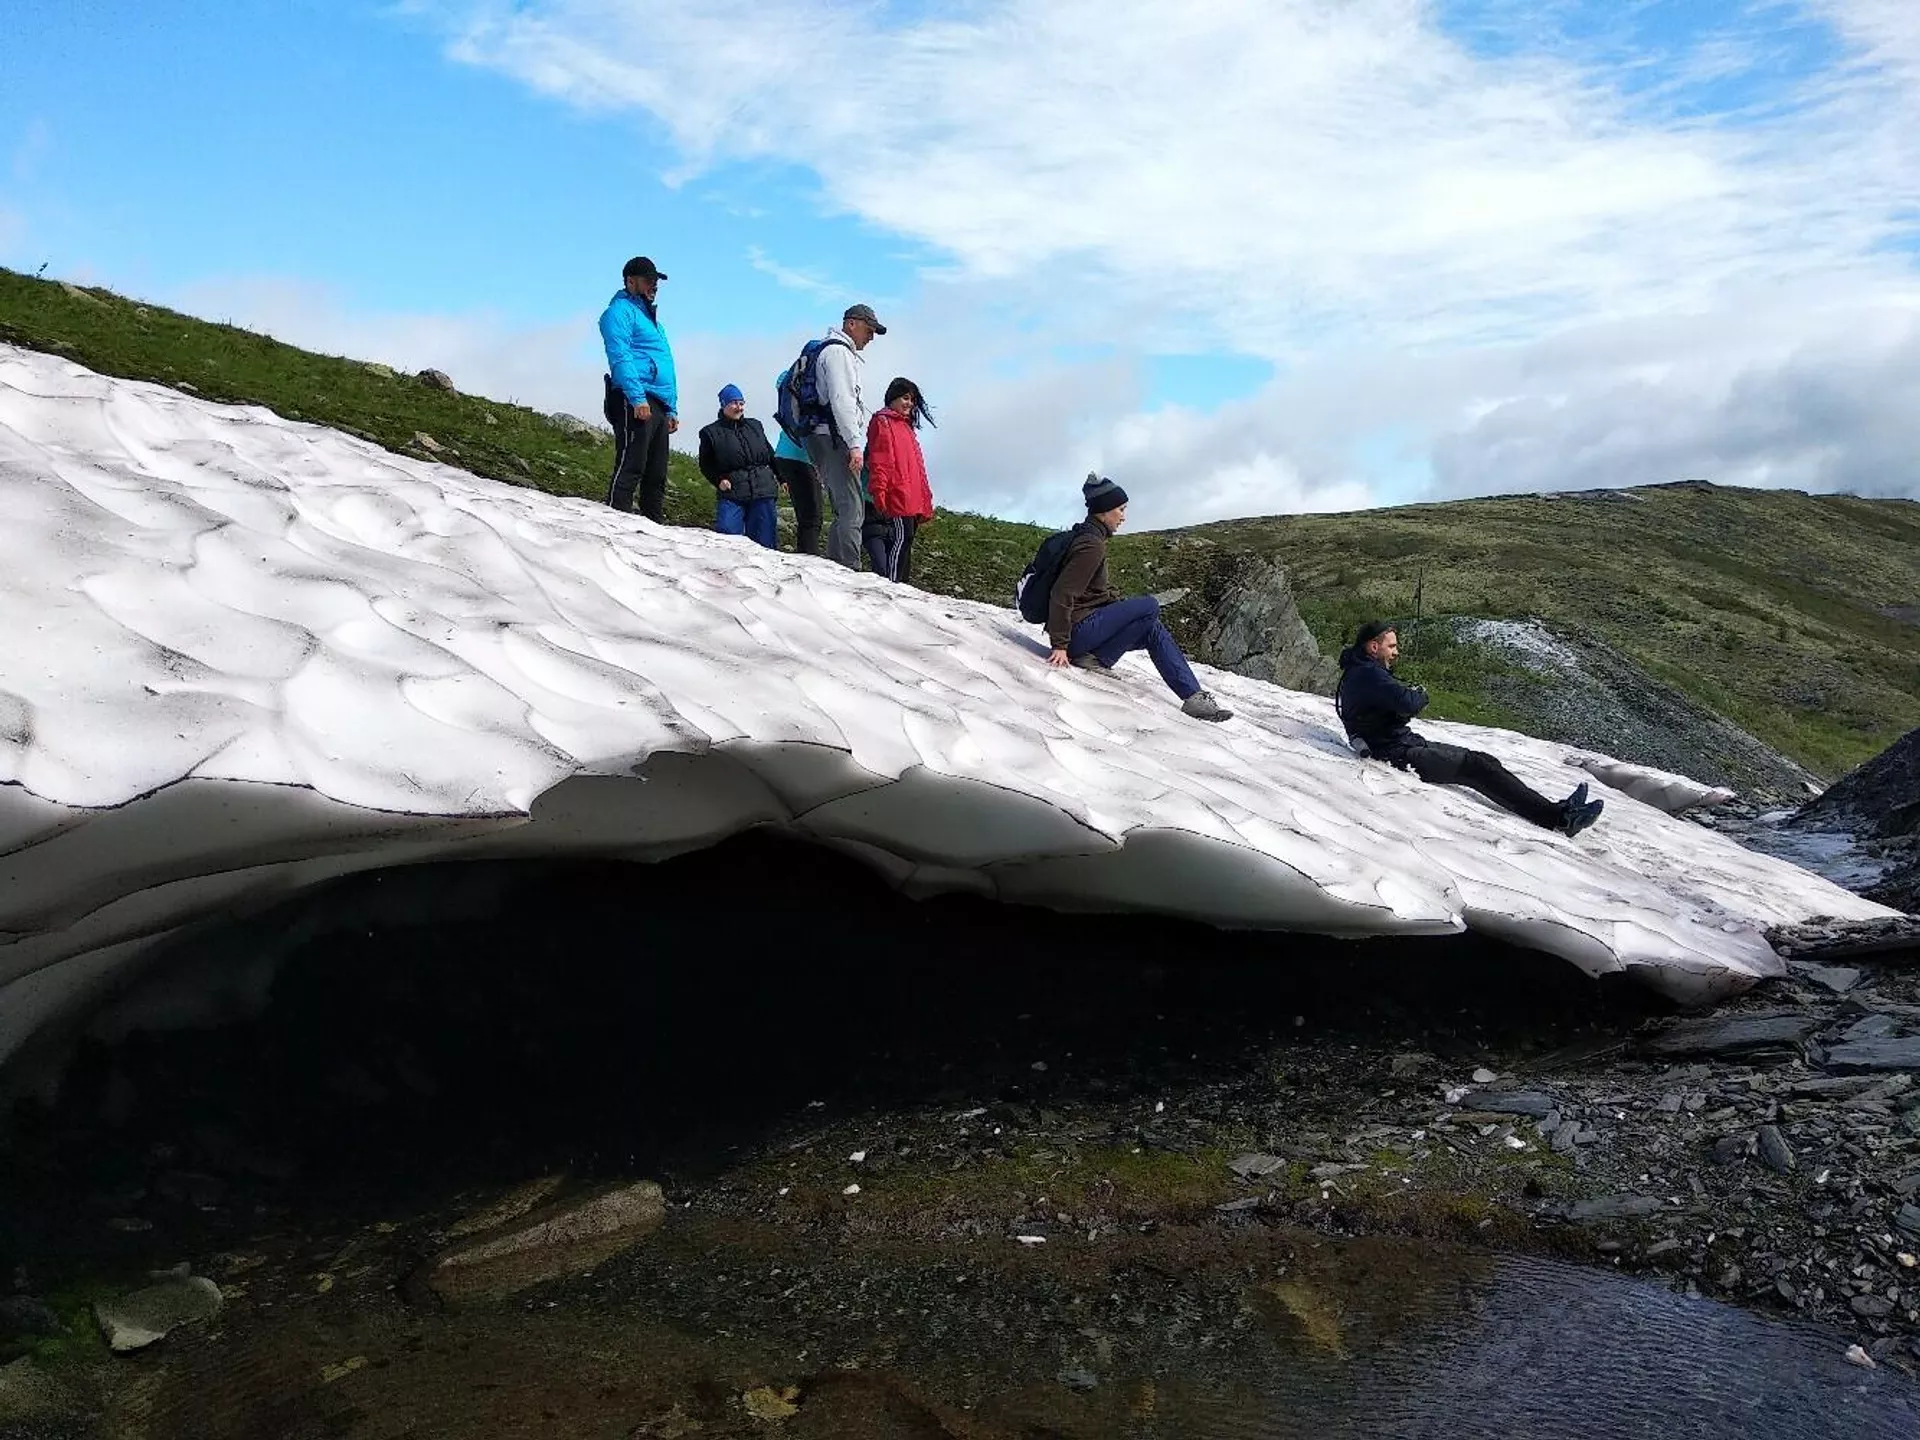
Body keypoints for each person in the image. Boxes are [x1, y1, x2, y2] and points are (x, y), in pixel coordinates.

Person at [1334, 621, 1605, 837]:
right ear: (1373, 646)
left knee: (1484, 763)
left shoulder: (1359, 671)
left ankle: (1560, 810)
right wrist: (1421, 694)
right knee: (1477, 767)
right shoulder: (1370, 674)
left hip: (1401, 745)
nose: (1396, 652)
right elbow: (1409, 703)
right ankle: (1560, 818)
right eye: (1391, 646)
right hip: (1397, 756)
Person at [1047, 474, 1233, 722]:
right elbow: (1063, 592)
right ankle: (1090, 656)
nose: (1123, 517)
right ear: (1104, 511)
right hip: (1076, 634)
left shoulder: (1090, 538)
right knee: (1149, 606)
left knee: (1151, 629)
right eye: (1121, 510)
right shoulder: (1091, 545)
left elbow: (1088, 593)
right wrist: (1060, 644)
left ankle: (1194, 697)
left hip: (1082, 633)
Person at [805, 303, 886, 570]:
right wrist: (854, 444)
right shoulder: (839, 353)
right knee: (852, 507)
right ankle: (848, 568)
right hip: (833, 436)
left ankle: (837, 565)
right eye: (869, 329)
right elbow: (842, 400)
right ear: (851, 324)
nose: (871, 337)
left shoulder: (830, 350)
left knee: (845, 505)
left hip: (822, 435)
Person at [599, 256, 678, 520]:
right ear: (630, 281)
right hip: (634, 397)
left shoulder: (654, 322)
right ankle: (615, 519)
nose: (653, 285)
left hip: (657, 401)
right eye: (648, 280)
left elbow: (667, 365)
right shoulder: (618, 312)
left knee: (656, 472)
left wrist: (671, 408)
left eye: (656, 281)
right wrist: (636, 398)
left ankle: (652, 526)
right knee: (632, 463)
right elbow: (620, 356)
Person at [862, 377, 936, 583]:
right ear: (893, 398)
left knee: (907, 539)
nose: (910, 404)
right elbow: (880, 459)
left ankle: (901, 584)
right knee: (902, 539)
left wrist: (925, 500)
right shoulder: (882, 422)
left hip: (911, 495)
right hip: (899, 493)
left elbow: (918, 468)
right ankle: (892, 585)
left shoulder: (907, 428)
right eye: (905, 398)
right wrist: (880, 491)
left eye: (912, 400)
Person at [696, 384, 779, 549]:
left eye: (741, 403)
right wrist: (719, 479)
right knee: (727, 537)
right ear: (723, 404)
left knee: (764, 543)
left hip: (763, 489)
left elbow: (770, 454)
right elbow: (706, 464)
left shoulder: (755, 425)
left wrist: (782, 477)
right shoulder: (710, 432)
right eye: (733, 403)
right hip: (732, 491)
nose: (738, 407)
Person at [771, 368, 823, 556]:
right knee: (812, 516)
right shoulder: (810, 387)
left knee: (807, 515)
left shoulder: (790, 382)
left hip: (786, 453)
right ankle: (809, 561)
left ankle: (807, 559)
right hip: (801, 456)